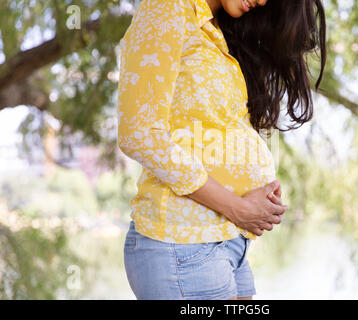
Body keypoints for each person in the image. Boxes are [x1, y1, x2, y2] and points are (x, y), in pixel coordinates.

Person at [117, 0, 326, 300]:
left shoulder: (213, 29)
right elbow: (139, 133)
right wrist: (238, 208)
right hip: (183, 243)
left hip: (226, 242)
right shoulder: (167, 8)